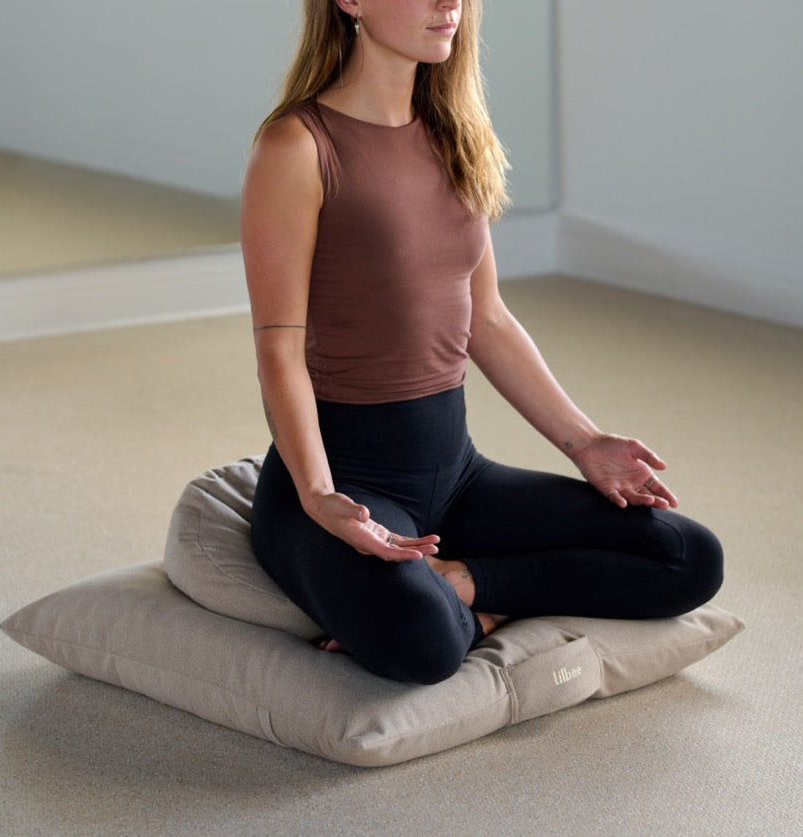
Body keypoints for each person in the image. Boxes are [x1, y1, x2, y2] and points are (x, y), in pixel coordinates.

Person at [240, 0, 723, 685]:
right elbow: (278, 350)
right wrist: (318, 495)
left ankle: (464, 588)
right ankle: (455, 605)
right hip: (345, 480)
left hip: (454, 473)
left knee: (687, 556)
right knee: (423, 644)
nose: (450, 5)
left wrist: (583, 442)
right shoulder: (297, 145)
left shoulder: (452, 133)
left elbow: (486, 317)